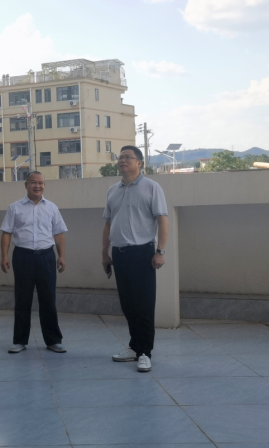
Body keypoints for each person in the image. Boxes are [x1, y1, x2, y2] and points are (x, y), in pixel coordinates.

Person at [102, 145, 168, 372]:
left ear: (139, 163)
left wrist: (160, 251)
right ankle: (134, 346)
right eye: (120, 157)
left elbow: (162, 220)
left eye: (128, 157)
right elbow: (108, 223)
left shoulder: (152, 187)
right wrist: (104, 253)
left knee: (144, 305)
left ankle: (145, 352)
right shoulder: (113, 190)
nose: (123, 160)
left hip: (142, 254)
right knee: (128, 305)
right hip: (119, 254)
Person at [0, 171, 68, 354]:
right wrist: (4, 256)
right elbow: (6, 233)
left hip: (46, 256)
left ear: (44, 186)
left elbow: (59, 233)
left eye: (41, 183)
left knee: (48, 299)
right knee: (22, 299)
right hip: (23, 256)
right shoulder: (14, 207)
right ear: (26, 185)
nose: (37, 186)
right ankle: (19, 340)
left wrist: (61, 256)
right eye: (33, 182)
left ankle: (54, 340)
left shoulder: (52, 207)